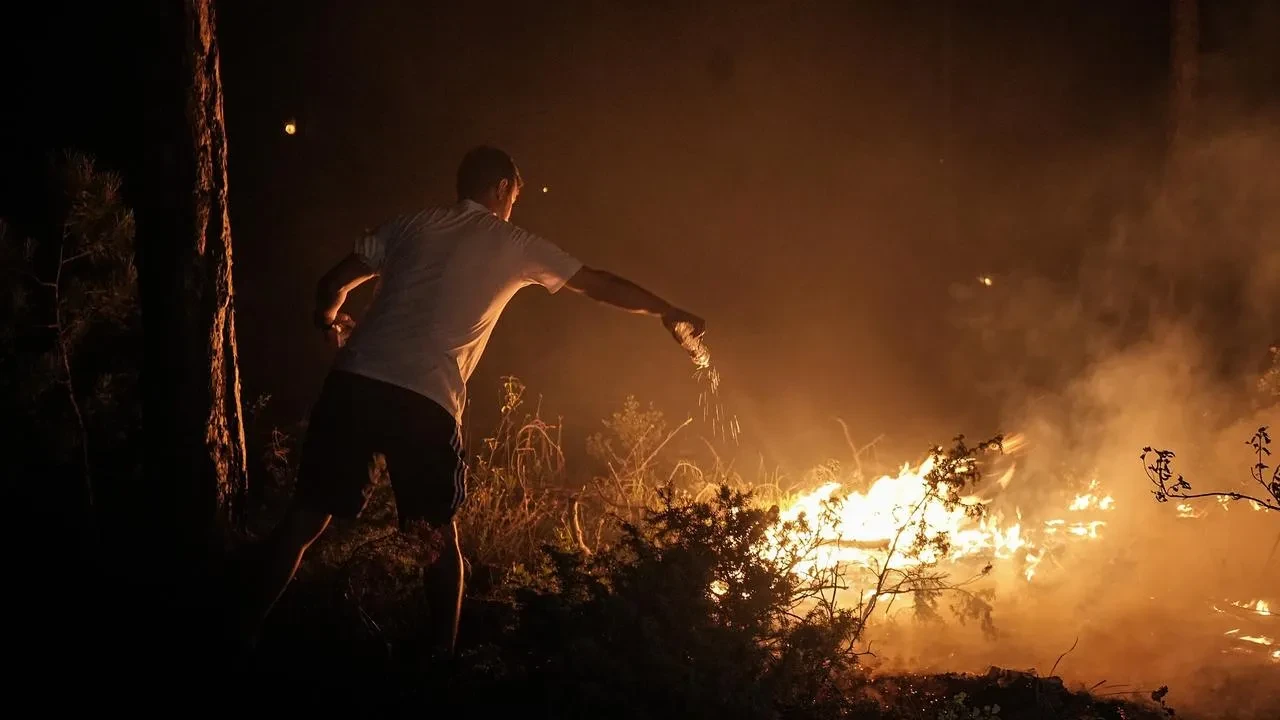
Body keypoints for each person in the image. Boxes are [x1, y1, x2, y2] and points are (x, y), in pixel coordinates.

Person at [233, 146, 705, 659]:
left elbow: (331, 285)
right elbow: (598, 284)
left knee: (305, 519)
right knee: (436, 542)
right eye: (514, 197)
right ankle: (440, 664)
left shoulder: (410, 224)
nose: (513, 207)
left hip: (354, 385)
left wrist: (328, 324)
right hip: (425, 401)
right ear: (502, 188)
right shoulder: (515, 242)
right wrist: (666, 310)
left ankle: (238, 631)